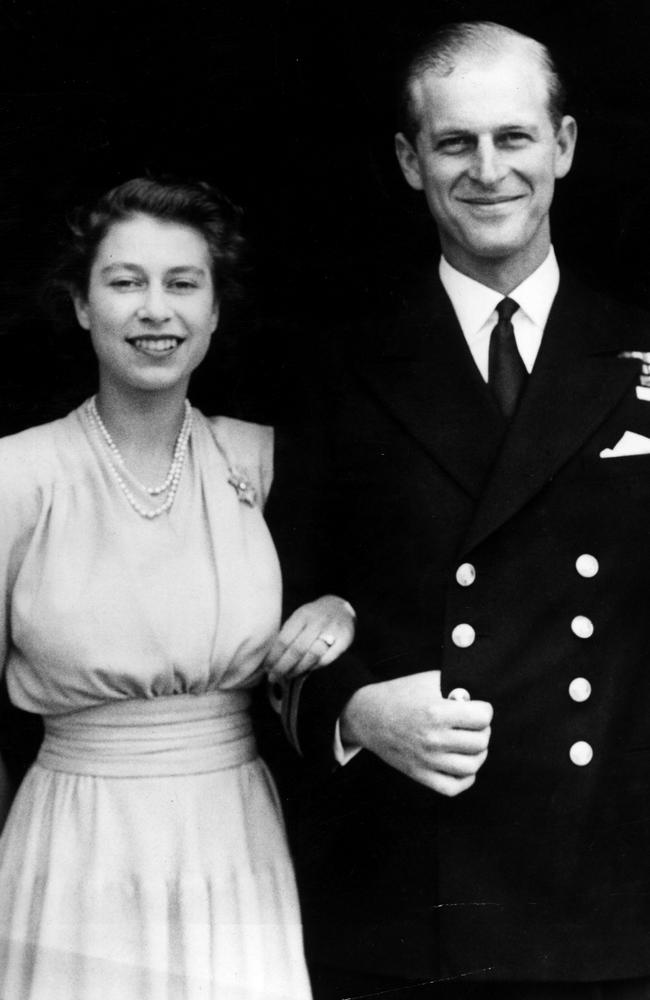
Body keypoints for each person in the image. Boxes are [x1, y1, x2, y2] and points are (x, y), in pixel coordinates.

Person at [269, 20, 650, 1000]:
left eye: (512, 137)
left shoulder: (639, 347)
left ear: (561, 146)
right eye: (453, 143)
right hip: (410, 892)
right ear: (409, 160)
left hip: (608, 894)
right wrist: (351, 707)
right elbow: (271, 601)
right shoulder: (341, 365)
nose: (487, 170)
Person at [0, 176, 355, 999]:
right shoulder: (19, 474)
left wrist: (337, 607)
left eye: (182, 284)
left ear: (215, 312)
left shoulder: (262, 462)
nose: (154, 310)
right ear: (84, 306)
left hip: (231, 843)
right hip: (75, 850)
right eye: (125, 282)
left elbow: (354, 592)